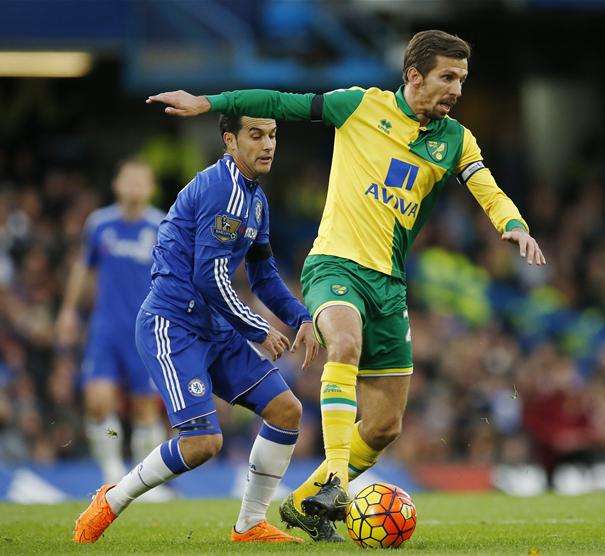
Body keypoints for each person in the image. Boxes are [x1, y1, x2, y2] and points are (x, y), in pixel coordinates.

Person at [147, 29, 547, 541]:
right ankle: (336, 477)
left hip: (389, 286)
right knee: (344, 342)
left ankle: (303, 503)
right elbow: (279, 102)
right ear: (414, 76)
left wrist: (513, 224)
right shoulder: (358, 106)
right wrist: (211, 102)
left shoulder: (456, 140)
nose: (457, 89)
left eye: (462, 79)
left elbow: (486, 187)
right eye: (447, 77)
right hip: (334, 266)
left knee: (384, 426)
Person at [73, 115, 320, 544]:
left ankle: (250, 524)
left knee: (286, 410)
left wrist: (300, 316)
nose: (268, 145)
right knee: (203, 442)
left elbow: (263, 275)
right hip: (174, 324)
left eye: (273, 135)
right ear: (230, 140)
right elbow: (208, 276)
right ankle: (112, 498)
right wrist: (258, 328)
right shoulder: (220, 189)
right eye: (256, 135)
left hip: (214, 324)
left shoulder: (255, 200)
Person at [56, 159, 167, 489]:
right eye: (128, 179)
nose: (134, 186)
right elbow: (83, 268)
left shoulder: (162, 226)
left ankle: (145, 481)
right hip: (106, 328)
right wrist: (68, 311)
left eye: (140, 180)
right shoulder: (99, 224)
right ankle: (111, 471)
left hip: (147, 329)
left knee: (145, 408)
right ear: (116, 184)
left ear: (151, 188)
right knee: (97, 401)